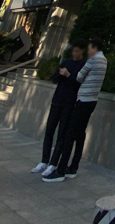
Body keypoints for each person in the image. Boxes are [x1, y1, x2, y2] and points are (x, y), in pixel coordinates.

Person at [42, 38, 107, 182]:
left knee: (69, 134)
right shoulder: (104, 60)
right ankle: (73, 167)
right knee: (80, 134)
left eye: (89, 48)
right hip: (92, 100)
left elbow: (78, 77)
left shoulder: (92, 60)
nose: (88, 51)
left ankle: (60, 170)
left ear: (95, 48)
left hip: (83, 100)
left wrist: (68, 74)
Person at [31, 41, 86, 176]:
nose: (75, 54)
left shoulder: (83, 65)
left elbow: (78, 84)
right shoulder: (66, 62)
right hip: (57, 100)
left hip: (69, 103)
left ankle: (53, 163)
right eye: (73, 51)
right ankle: (44, 160)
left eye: (77, 51)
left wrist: (68, 75)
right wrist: (60, 74)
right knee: (49, 131)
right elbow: (54, 79)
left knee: (62, 134)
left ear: (82, 51)